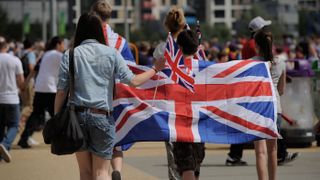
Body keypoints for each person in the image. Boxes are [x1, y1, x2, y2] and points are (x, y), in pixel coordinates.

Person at [55, 12, 165, 180]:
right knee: (101, 172)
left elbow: (62, 91)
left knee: (85, 172)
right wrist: (155, 69)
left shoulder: (69, 54)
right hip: (102, 117)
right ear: (99, 30)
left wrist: (57, 118)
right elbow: (133, 81)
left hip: (76, 118)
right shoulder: (111, 53)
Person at [90, 1, 135, 179]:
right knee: (116, 141)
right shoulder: (120, 42)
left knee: (96, 149)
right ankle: (117, 171)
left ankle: (104, 174)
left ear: (93, 14)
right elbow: (131, 69)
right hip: (117, 96)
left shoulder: (87, 40)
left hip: (93, 97)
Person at [153, 7, 186, 180]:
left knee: (172, 154)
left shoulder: (161, 49)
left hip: (169, 105)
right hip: (189, 104)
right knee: (190, 155)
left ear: (167, 26)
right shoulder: (191, 47)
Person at [18, 36, 65, 148]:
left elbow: (34, 70)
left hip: (40, 88)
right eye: (62, 44)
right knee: (57, 115)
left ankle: (24, 138)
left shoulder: (45, 54)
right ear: (58, 44)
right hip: (51, 89)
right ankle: (60, 139)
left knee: (36, 114)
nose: (63, 46)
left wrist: (25, 83)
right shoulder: (59, 55)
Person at [172, 29, 205, 180]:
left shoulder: (172, 70)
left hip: (181, 125)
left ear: (179, 46)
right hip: (200, 125)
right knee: (195, 166)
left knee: (187, 167)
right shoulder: (205, 69)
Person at [251, 27, 279, 180]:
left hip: (258, 107)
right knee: (273, 150)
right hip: (274, 107)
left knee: (260, 152)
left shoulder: (250, 63)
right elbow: (281, 89)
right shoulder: (279, 62)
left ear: (256, 46)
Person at [0, 39, 24, 162]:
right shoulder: (14, 60)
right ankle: (5, 144)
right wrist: (23, 90)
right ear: (6, 47)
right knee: (14, 125)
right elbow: (20, 81)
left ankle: (1, 154)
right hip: (11, 98)